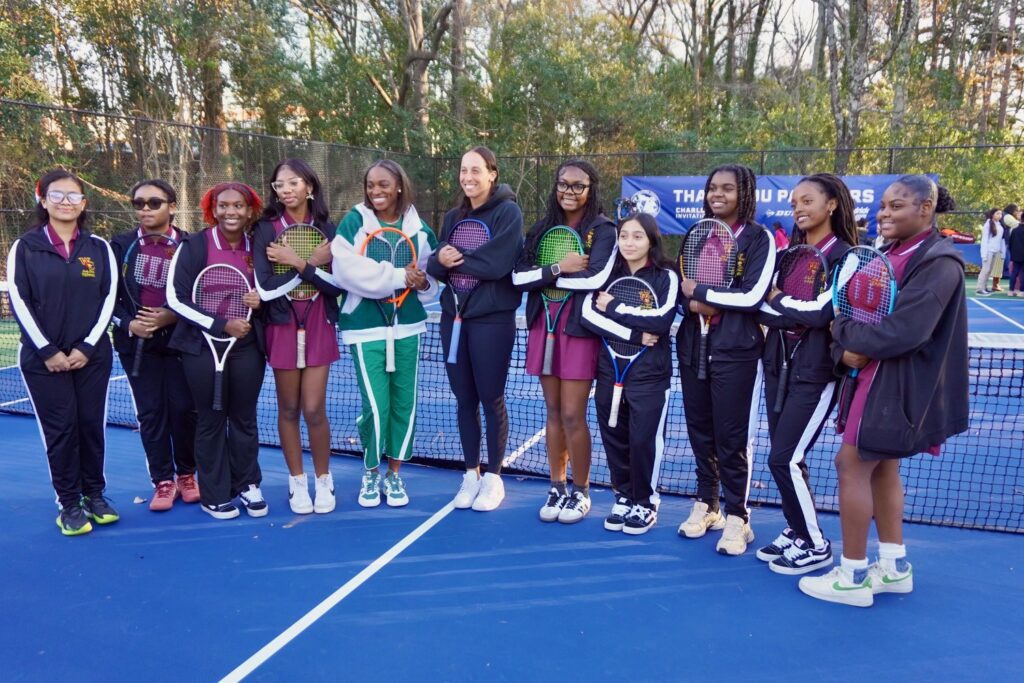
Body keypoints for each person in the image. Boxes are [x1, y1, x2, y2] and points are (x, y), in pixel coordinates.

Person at [799, 176, 968, 607]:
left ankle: (852, 575)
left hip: (895, 384)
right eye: (882, 206)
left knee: (850, 465)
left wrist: (844, 333)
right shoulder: (887, 254)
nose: (884, 214)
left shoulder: (939, 262)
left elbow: (903, 332)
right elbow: (854, 312)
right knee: (883, 467)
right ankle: (893, 568)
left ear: (926, 208)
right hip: (869, 377)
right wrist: (845, 350)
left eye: (896, 206)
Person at [7, 169, 119, 535]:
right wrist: (47, 351)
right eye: (57, 195)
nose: (66, 202)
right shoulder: (25, 247)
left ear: (84, 203)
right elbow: (19, 301)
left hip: (92, 357)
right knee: (61, 429)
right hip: (44, 362)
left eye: (73, 196)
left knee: (90, 426)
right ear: (42, 200)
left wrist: (87, 346)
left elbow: (108, 298)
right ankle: (69, 503)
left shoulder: (99, 248)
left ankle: (95, 495)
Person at [756, 174, 857, 574]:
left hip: (815, 374)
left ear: (831, 204)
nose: (798, 208)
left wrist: (780, 300)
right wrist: (784, 306)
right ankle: (797, 529)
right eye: (794, 202)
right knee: (787, 459)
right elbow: (759, 310)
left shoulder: (846, 256)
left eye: (808, 200)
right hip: (779, 366)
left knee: (784, 458)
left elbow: (821, 313)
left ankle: (815, 544)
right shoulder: (791, 254)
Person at [676, 164, 776, 556]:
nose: (718, 194)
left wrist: (703, 294)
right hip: (693, 346)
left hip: (736, 352)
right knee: (700, 430)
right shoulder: (699, 234)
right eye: (712, 187)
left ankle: (739, 517)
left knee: (732, 437)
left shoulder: (759, 238)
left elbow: (752, 296)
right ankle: (709, 503)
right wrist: (695, 300)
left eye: (728, 189)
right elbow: (682, 289)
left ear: (744, 193)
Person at [512, 160, 616, 523]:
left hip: (579, 332)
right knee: (553, 413)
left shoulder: (604, 230)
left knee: (574, 414)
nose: (569, 192)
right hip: (544, 327)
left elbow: (595, 277)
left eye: (578, 186)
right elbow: (518, 278)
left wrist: (546, 278)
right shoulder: (542, 229)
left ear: (591, 189)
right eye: (563, 184)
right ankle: (556, 487)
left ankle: (581, 491)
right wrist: (558, 269)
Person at [331, 160, 438, 507]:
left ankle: (394, 474)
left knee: (404, 405)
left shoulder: (419, 228)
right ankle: (371, 470)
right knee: (375, 406)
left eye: (383, 185)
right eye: (370, 185)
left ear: (399, 187)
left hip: (408, 327)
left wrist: (421, 282)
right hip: (364, 328)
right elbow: (346, 270)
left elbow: (428, 279)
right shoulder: (355, 221)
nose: (375, 191)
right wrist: (397, 276)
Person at [426, 146, 524, 512]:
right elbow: (435, 267)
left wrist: (453, 261)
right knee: (463, 400)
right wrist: (440, 260)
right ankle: (471, 474)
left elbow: (497, 263)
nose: (468, 177)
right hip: (454, 322)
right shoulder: (453, 215)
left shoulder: (508, 212)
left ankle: (494, 478)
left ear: (492, 174)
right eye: (463, 170)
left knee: (490, 398)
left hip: (492, 323)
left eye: (476, 170)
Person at [166, 182, 267, 520]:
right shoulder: (194, 245)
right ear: (213, 209)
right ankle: (215, 493)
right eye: (223, 205)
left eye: (238, 205)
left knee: (243, 418)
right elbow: (176, 298)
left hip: (247, 347)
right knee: (209, 419)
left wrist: (261, 299)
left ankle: (248, 484)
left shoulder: (259, 247)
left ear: (249, 209)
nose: (231, 212)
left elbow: (270, 291)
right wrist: (221, 325)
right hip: (201, 345)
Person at [254, 159, 342, 514]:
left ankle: (323, 479)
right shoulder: (265, 228)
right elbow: (266, 286)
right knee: (288, 409)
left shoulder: (327, 227)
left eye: (294, 182)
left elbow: (336, 288)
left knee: (313, 408)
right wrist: (308, 266)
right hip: (281, 324)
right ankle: (297, 483)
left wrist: (297, 262)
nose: (287, 190)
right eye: (280, 185)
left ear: (310, 186)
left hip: (319, 321)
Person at [580, 212, 677, 534]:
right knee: (614, 436)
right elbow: (588, 317)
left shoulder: (666, 276)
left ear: (651, 240)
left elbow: (661, 321)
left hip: (650, 376)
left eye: (637, 236)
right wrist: (634, 334)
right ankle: (623, 495)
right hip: (610, 371)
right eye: (624, 236)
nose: (629, 242)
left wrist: (615, 309)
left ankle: (645, 502)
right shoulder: (606, 274)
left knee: (643, 440)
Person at [110, 179, 198, 511]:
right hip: (137, 346)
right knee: (151, 413)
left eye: (154, 202)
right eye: (139, 203)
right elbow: (108, 298)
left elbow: (201, 294)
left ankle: (187, 474)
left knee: (184, 410)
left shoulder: (192, 245)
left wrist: (171, 316)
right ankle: (163, 481)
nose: (145, 209)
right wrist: (129, 323)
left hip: (180, 342)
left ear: (172, 206)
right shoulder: (118, 246)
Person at [976, 207, 1004, 295]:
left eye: (1000, 214)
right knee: (985, 269)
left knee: (990, 270)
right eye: (997, 213)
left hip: (995, 250)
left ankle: (985, 287)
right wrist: (984, 254)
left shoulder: (999, 224)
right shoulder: (988, 224)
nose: (1000, 215)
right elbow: (984, 240)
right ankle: (980, 288)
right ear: (992, 214)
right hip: (988, 251)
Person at [1000, 204, 1020, 294]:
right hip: (1006, 242)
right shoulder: (1007, 216)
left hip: (1006, 242)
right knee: (1012, 264)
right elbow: (1016, 225)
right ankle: (1006, 276)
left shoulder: (1005, 215)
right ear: (1012, 210)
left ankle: (1012, 288)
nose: (1017, 212)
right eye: (1017, 210)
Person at [1008, 205, 1024, 296]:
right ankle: (1022, 291)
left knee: (1014, 272)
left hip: (1015, 254)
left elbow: (1010, 243)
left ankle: (1011, 290)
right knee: (1023, 273)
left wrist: (1012, 253)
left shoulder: (1014, 230)